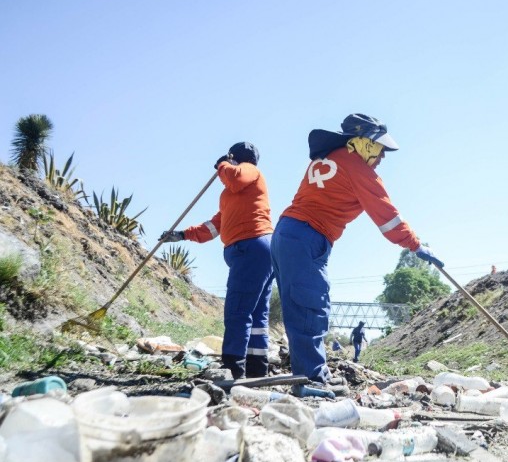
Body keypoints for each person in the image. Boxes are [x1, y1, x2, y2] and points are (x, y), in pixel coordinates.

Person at [271, 113, 443, 393]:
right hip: (307, 236)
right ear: (363, 142)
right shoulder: (358, 168)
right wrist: (416, 245)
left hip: (288, 233)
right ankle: (310, 380)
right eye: (379, 148)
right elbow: (387, 218)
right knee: (311, 305)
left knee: (300, 306)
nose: (382, 156)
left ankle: (313, 375)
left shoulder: (328, 158)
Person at [160, 142, 274, 381]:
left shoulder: (249, 171)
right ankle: (256, 369)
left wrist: (223, 163)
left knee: (238, 311)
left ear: (236, 159)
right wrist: (182, 235)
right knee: (255, 314)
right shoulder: (234, 194)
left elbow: (234, 177)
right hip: (258, 251)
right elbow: (215, 227)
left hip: (251, 247)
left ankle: (233, 368)